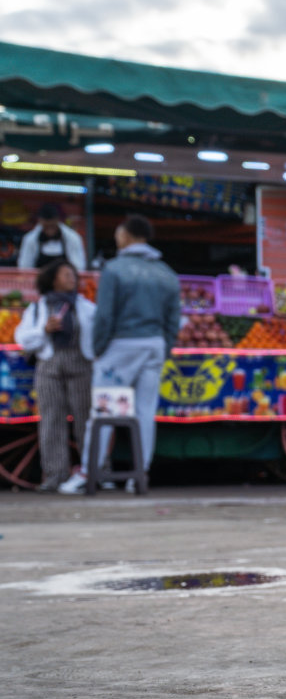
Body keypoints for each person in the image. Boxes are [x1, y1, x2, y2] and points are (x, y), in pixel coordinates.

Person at [90, 215, 179, 483]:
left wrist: (98, 348)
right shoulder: (166, 273)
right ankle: (140, 474)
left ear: (126, 236)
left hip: (121, 345)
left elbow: (104, 316)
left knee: (106, 410)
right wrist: (164, 349)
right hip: (154, 345)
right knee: (144, 413)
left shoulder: (115, 269)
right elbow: (173, 320)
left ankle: (90, 470)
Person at [16, 261, 96, 493]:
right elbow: (22, 338)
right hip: (49, 365)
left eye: (73, 275)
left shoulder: (86, 306)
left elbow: (98, 332)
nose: (72, 278)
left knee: (86, 419)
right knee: (51, 420)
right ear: (53, 279)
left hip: (80, 363)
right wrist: (44, 330)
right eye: (65, 274)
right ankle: (55, 475)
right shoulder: (38, 308)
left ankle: (93, 470)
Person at [17, 203, 88, 271]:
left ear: (58, 220)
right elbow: (24, 267)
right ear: (40, 222)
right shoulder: (30, 239)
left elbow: (79, 267)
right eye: (46, 226)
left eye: (52, 226)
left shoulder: (73, 238)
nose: (50, 230)